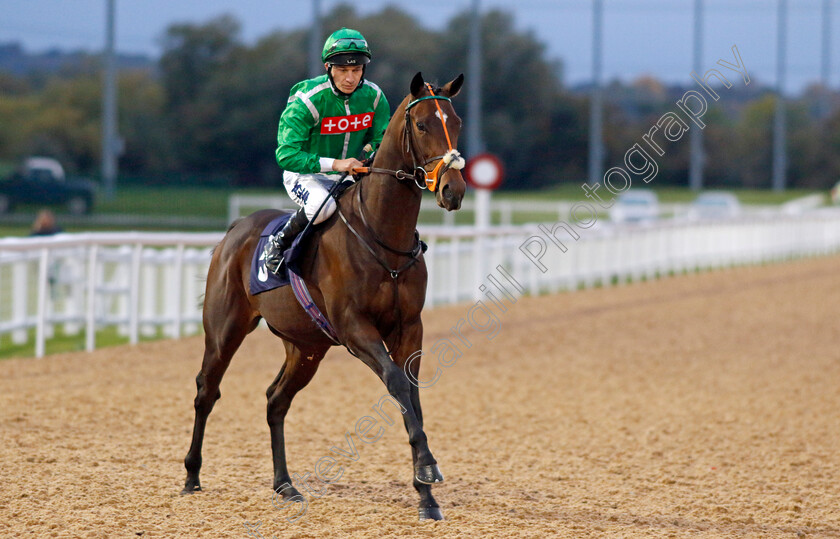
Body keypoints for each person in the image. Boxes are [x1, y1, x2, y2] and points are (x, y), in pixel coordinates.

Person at [263, 27, 391, 274]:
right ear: (328, 68)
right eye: (343, 70)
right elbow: (286, 155)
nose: (350, 78)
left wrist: (369, 152)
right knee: (323, 206)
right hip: (305, 176)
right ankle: (278, 243)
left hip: (352, 174)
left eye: (356, 70)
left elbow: (381, 138)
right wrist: (335, 164)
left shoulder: (374, 96)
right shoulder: (307, 100)